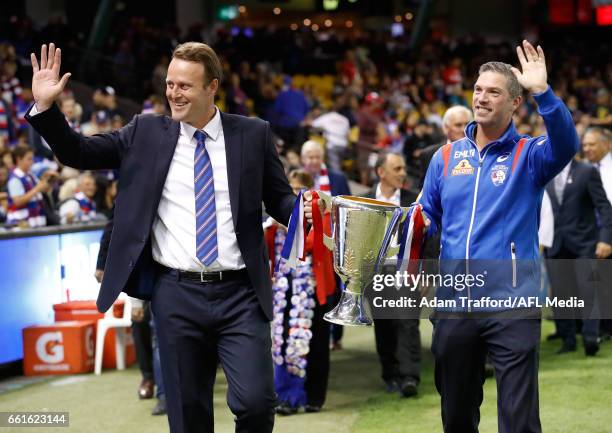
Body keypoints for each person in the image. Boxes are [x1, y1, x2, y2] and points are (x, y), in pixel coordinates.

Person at [27, 42, 303, 433]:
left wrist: (307, 209)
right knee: (188, 418)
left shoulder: (253, 134)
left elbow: (279, 200)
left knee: (257, 403)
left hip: (241, 294)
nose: (173, 93)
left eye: (185, 86)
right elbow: (79, 152)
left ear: (212, 87)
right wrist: (47, 109)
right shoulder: (144, 131)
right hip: (175, 295)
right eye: (170, 84)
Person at [417, 41, 579, 433]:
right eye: (477, 89)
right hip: (454, 304)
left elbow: (567, 144)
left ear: (515, 103)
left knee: (518, 418)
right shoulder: (445, 157)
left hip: (512, 303)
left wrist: (544, 92)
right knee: (455, 416)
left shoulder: (531, 154)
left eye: (494, 92)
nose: (482, 98)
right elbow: (425, 219)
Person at [265, 169, 335, 416]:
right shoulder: (274, 226)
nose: (295, 196)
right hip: (283, 294)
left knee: (316, 344)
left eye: (300, 191)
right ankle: (286, 396)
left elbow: (319, 247)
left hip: (315, 293)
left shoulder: (320, 219)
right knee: (282, 342)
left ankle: (314, 396)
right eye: (291, 190)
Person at [364, 151, 421, 398]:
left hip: (407, 270)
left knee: (408, 323)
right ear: (380, 172)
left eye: (403, 168)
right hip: (376, 273)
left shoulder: (413, 199)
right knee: (384, 326)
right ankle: (390, 374)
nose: (403, 173)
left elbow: (426, 236)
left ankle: (410, 377)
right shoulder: (364, 201)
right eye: (397, 169)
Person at [544, 154, 612, 355]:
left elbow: (604, 208)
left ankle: (591, 338)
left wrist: (606, 238)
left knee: (589, 290)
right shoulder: (543, 173)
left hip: (585, 243)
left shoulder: (587, 171)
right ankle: (568, 340)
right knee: (561, 294)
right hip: (554, 244)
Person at [6, 144, 50, 227]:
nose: (32, 162)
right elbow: (17, 201)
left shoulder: (31, 175)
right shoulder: (14, 179)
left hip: (36, 224)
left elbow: (44, 189)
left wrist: (48, 180)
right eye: (29, 159)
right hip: (21, 226)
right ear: (19, 159)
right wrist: (37, 189)